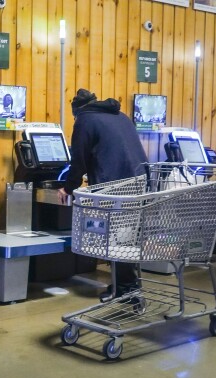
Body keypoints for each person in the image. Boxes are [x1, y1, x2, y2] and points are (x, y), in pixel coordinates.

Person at [57, 88, 148, 301]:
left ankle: (125, 286)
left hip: (115, 186)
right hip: (139, 180)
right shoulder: (120, 115)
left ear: (77, 110)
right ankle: (128, 285)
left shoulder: (84, 121)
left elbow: (78, 161)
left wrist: (68, 188)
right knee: (126, 236)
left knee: (116, 236)